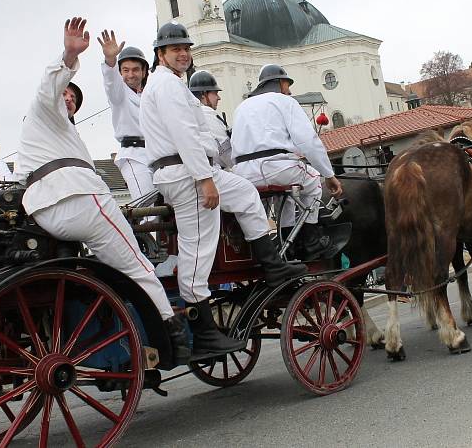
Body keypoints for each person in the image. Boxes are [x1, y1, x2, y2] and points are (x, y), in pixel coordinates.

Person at [13, 17, 189, 365]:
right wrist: (68, 54)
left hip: (45, 209)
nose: (69, 99)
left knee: (115, 259)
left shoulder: (50, 134)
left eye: (73, 97)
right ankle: (173, 334)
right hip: (80, 198)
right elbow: (49, 88)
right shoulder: (43, 110)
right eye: (66, 93)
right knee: (138, 265)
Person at [139, 22, 306, 361]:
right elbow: (185, 134)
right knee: (197, 252)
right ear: (161, 54)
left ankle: (272, 264)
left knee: (245, 193)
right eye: (176, 49)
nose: (183, 53)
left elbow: (195, 131)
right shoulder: (168, 86)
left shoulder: (168, 84)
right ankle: (203, 334)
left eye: (186, 48)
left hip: (183, 170)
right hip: (187, 173)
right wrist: (204, 178)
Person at [231, 64, 344, 259]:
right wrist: (329, 175)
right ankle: (310, 240)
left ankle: (287, 244)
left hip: (244, 173)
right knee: (313, 181)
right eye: (287, 84)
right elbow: (308, 141)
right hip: (276, 167)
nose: (289, 90)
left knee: (288, 195)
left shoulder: (241, 107)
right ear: (279, 83)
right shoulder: (284, 101)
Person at [97, 31, 155, 203]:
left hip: (156, 153)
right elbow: (110, 81)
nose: (131, 74)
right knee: (148, 210)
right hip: (134, 156)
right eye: (126, 70)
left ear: (144, 72)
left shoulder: (150, 94)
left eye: (136, 69)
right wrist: (110, 60)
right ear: (120, 72)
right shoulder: (118, 93)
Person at [188, 70, 233, 170]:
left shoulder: (191, 113)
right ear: (203, 94)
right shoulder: (206, 113)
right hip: (212, 169)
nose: (218, 98)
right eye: (215, 93)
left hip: (199, 169)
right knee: (247, 185)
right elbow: (225, 150)